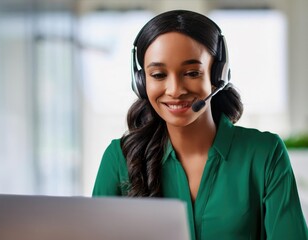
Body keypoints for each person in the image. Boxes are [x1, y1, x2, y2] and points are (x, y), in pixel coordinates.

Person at [92, 9, 308, 240]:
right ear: (141, 82)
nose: (175, 90)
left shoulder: (264, 153)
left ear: (218, 76)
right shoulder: (119, 158)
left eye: (192, 72)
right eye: (158, 75)